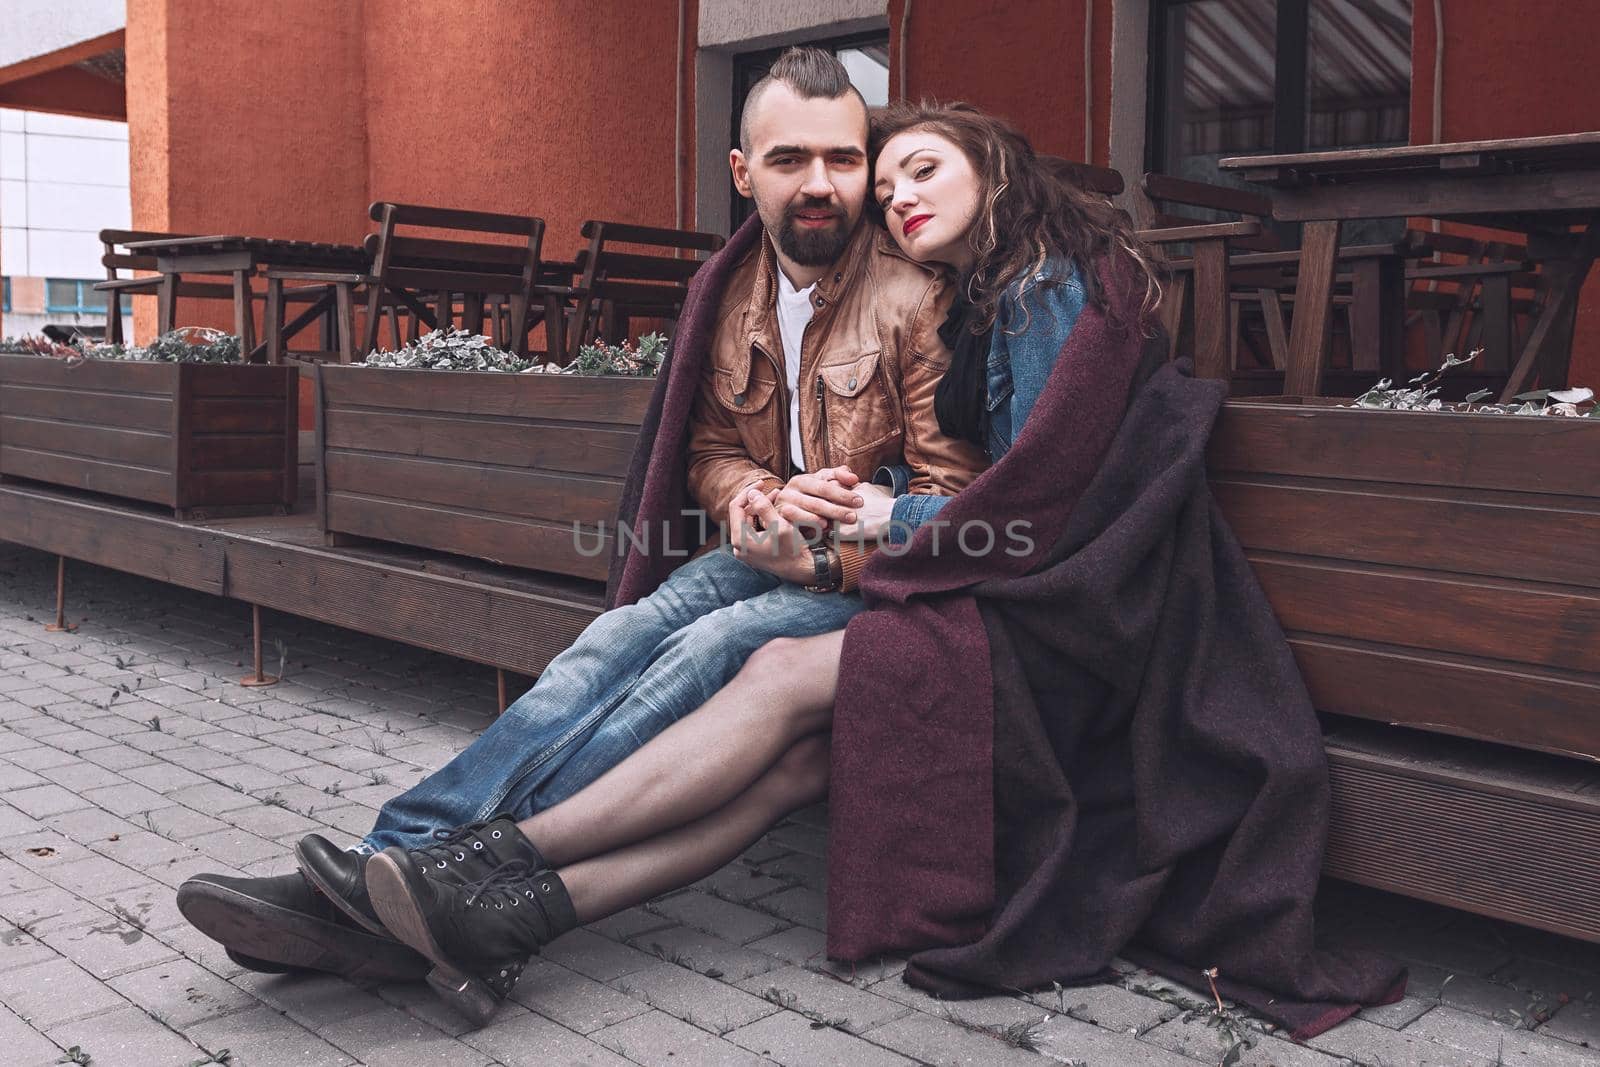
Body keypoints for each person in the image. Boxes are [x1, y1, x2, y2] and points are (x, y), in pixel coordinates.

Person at [329, 101, 1162, 1026]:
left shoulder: (1040, 286)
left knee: (757, 665)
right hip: (976, 581)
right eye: (886, 190)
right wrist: (767, 501)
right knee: (771, 739)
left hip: (1042, 620)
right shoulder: (987, 290)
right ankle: (481, 911)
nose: (897, 202)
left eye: (921, 172)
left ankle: (473, 868)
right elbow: (999, 488)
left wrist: (884, 514)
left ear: (996, 166)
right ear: (743, 172)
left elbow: (1043, 507)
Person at [176, 48, 984, 984]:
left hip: (861, 574)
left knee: (700, 656)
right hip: (767, 548)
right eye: (789, 159)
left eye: (844, 160)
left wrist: (830, 556)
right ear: (741, 172)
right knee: (611, 641)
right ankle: (386, 863)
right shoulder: (729, 296)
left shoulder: (918, 294)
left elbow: (958, 501)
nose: (820, 185)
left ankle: (418, 884)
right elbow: (711, 450)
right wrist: (750, 499)